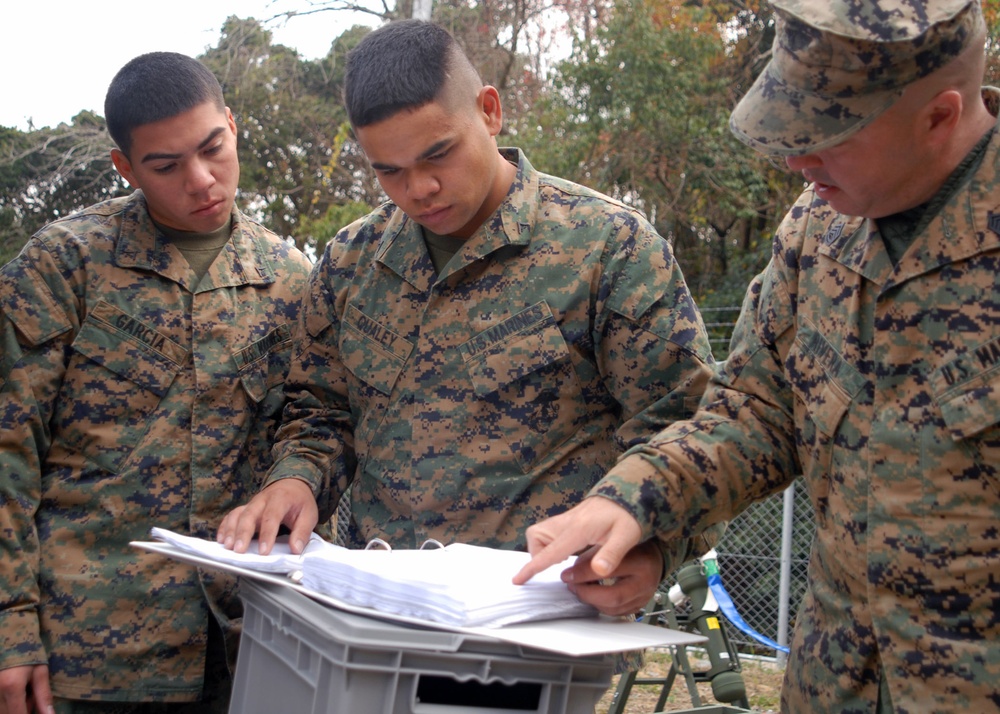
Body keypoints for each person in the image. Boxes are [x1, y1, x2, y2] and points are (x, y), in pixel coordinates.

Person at [513, 0, 1000, 711]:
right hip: (834, 689)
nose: (797, 160)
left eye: (829, 134)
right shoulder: (817, 232)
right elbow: (752, 412)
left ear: (939, 116)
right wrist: (635, 503)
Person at [218, 18, 721, 621]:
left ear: (489, 110)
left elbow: (688, 426)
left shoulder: (608, 247)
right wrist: (296, 481)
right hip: (376, 609)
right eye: (389, 170)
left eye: (438, 154)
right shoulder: (353, 262)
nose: (420, 188)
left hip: (538, 618)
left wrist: (655, 546)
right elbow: (321, 412)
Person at [0, 52, 313, 714]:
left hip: (240, 648)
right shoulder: (65, 266)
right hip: (86, 656)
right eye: (166, 167)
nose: (202, 180)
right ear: (126, 168)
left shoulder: (289, 278)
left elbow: (310, 424)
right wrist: (9, 626)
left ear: (231, 124)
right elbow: (7, 452)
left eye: (213, 149)